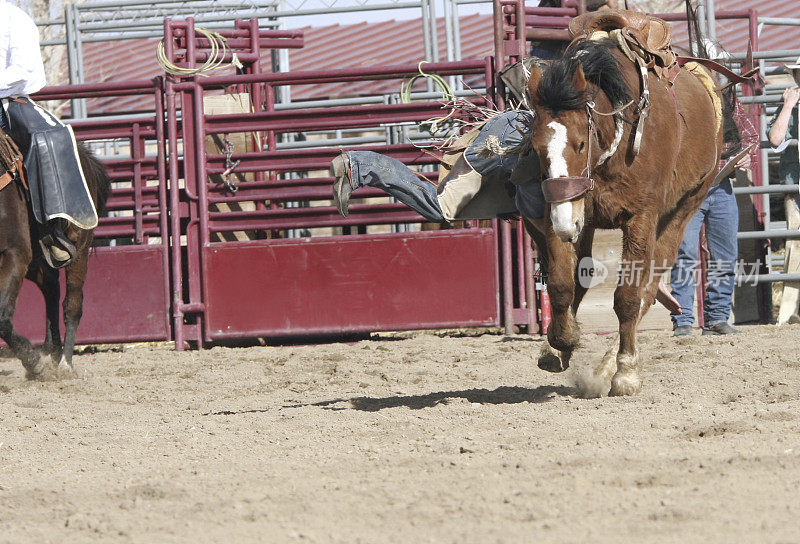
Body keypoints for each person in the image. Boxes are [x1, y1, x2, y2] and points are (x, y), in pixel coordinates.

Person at [0, 0, 99, 268]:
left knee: (50, 139)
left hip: (9, 100)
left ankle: (56, 225)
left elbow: (21, 70)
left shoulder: (14, 19)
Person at [670, 91, 759, 336]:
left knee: (724, 255)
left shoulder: (727, 100)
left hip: (720, 186)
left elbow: (751, 136)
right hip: (688, 189)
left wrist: (746, 158)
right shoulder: (682, 98)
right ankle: (683, 320)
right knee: (685, 254)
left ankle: (716, 318)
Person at [767, 55, 800, 323]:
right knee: (795, 251)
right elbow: (776, 139)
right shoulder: (789, 105)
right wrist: (789, 105)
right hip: (797, 189)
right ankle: (789, 312)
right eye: (798, 73)